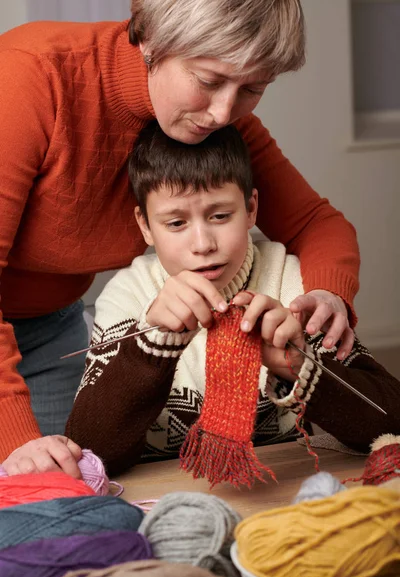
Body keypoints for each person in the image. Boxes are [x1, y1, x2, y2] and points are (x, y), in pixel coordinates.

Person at [0, 0, 359, 475]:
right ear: (149, 39)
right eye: (208, 81)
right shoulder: (31, 78)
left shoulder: (214, 120)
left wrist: (329, 292)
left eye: (253, 87)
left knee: (65, 495)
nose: (223, 112)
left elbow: (316, 222)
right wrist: (15, 438)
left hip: (52, 324)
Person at [63, 122, 400, 478]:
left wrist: (300, 365)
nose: (203, 243)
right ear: (145, 225)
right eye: (176, 223)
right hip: (162, 497)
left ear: (251, 208)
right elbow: (92, 451)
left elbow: (390, 422)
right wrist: (153, 343)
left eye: (220, 216)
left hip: (283, 487)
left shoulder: (295, 285)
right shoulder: (128, 294)